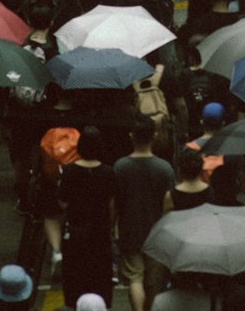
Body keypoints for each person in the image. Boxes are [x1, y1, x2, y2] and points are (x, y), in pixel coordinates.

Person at [114, 120, 175, 311]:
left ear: (131, 136)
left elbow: (115, 202)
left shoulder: (121, 166)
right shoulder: (165, 168)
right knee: (153, 283)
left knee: (134, 278)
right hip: (157, 234)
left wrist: (113, 226)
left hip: (130, 230)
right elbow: (170, 204)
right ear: (154, 136)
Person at [59, 125, 115, 311]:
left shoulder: (68, 172)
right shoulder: (108, 172)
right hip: (100, 232)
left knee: (74, 276)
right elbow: (111, 204)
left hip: (76, 231)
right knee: (100, 276)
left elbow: (63, 204)